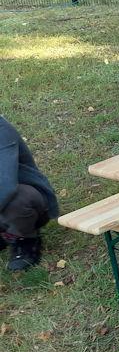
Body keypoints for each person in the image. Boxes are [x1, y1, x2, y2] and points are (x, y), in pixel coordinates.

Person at [0, 115, 58, 271]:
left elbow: (5, 185)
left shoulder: (2, 131)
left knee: (16, 200)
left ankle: (26, 240)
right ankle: (4, 233)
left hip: (28, 199)